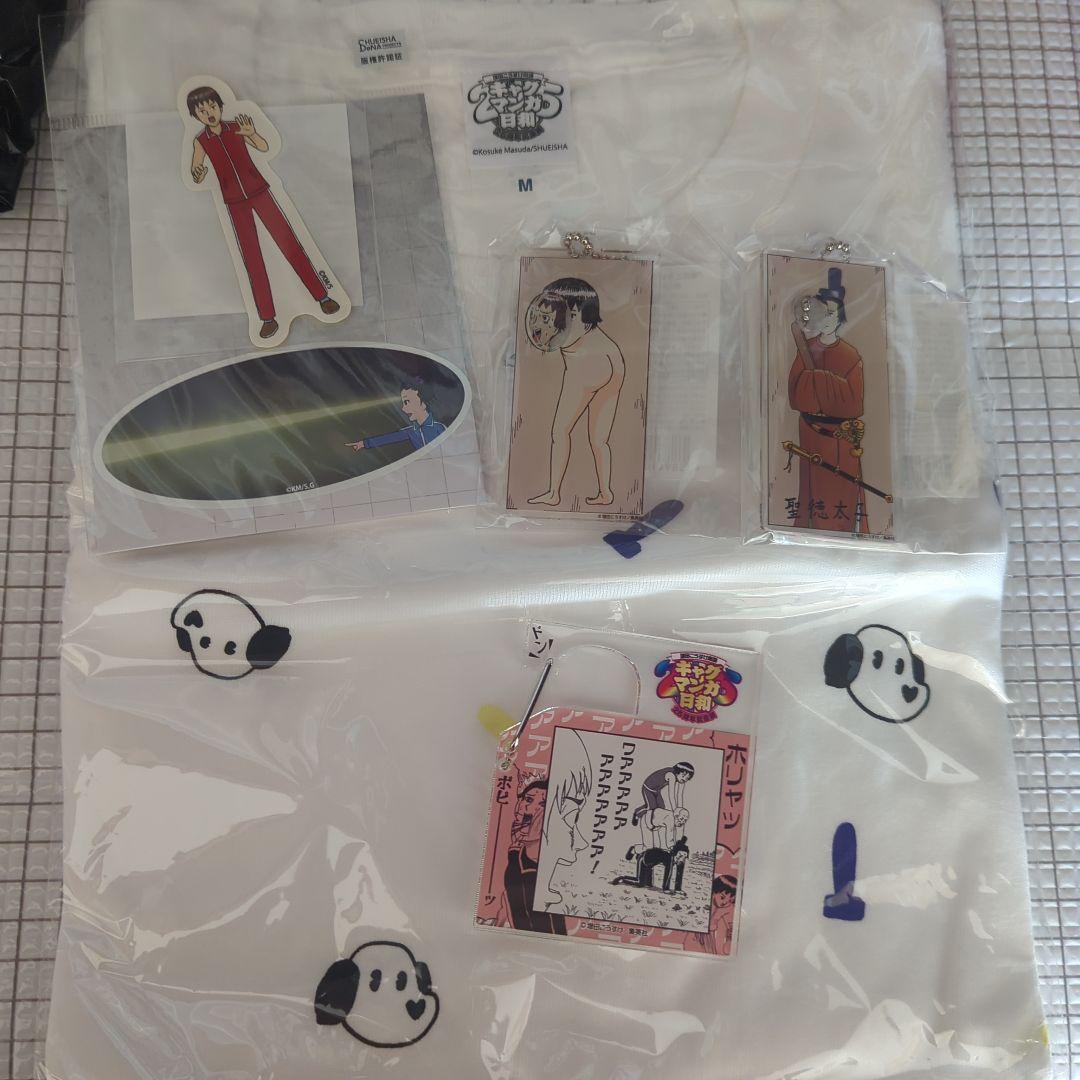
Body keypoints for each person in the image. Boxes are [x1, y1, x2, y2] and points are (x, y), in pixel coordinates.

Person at [186, 85, 340, 340]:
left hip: (260, 192)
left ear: (220, 106)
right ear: (195, 115)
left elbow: (263, 146)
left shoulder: (237, 126)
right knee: (252, 259)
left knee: (289, 244)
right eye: (202, 111)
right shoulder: (201, 142)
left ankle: (322, 297)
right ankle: (267, 318)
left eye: (212, 106)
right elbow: (196, 171)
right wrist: (198, 173)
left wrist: (252, 133)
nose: (209, 113)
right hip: (235, 202)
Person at [523, 278, 625, 507]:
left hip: (588, 364)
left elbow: (551, 341)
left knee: (560, 431)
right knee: (599, 439)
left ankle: (553, 493)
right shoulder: (588, 327)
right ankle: (606, 493)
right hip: (614, 361)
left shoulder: (568, 327)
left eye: (569, 314)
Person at [786, 267, 869, 533]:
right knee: (814, 489)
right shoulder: (807, 351)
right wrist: (816, 383)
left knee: (842, 490)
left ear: (840, 317)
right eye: (824, 313)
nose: (826, 319)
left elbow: (854, 404)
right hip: (812, 434)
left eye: (832, 313)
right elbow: (795, 395)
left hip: (840, 438)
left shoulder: (851, 356)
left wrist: (820, 380)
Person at [499, 780, 566, 935]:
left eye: (543, 804)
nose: (531, 809)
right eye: (528, 799)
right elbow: (508, 896)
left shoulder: (544, 859)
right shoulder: (515, 853)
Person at [346, 381, 446, 452]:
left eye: (407, 402)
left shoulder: (440, 428)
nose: (403, 408)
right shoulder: (412, 431)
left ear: (423, 403)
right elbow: (389, 438)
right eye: (403, 403)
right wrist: (363, 444)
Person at [630, 762, 694, 852]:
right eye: (684, 777)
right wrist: (675, 810)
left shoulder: (681, 780)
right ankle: (637, 813)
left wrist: (680, 809)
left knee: (661, 806)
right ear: (680, 772)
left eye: (687, 779)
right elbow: (672, 795)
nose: (684, 780)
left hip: (656, 790)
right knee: (651, 807)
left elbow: (679, 795)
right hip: (648, 788)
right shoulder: (671, 776)